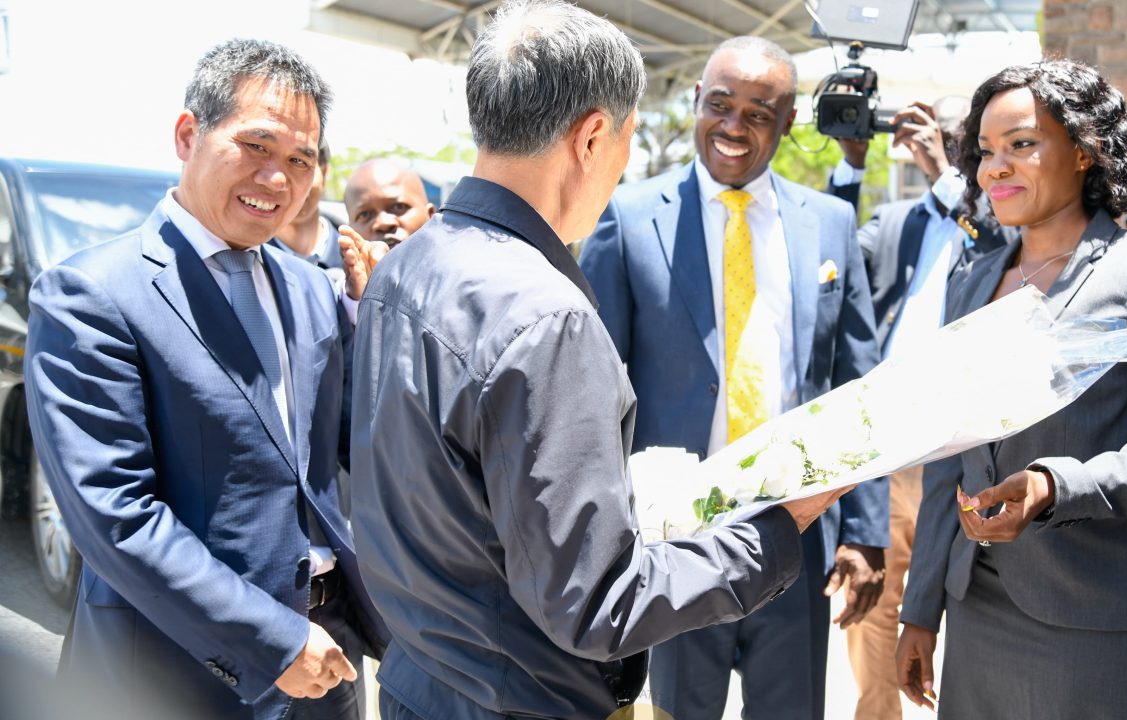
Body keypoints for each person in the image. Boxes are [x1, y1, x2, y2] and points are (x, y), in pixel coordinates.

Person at [348, 4, 853, 720]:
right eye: (627, 139)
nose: (623, 167)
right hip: (518, 697)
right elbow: (599, 604)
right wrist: (775, 530)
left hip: (422, 681)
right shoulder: (545, 315)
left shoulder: (404, 267)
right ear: (591, 137)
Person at [23, 39, 387, 720]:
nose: (276, 178)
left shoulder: (314, 289)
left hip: (329, 661)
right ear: (189, 135)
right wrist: (272, 641)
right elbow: (116, 516)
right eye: (257, 146)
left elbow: (353, 450)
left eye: (300, 160)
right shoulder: (90, 294)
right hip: (173, 671)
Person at [896, 59, 1127, 719]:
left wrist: (1055, 486)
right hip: (979, 611)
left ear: (1084, 150)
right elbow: (949, 460)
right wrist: (920, 609)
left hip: (1106, 617)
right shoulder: (972, 281)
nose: (996, 168)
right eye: (986, 151)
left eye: (1021, 144)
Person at [580, 36, 887, 720]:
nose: (734, 127)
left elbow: (855, 383)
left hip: (797, 527)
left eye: (759, 113)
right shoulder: (628, 218)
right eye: (720, 105)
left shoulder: (831, 223)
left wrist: (866, 529)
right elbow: (596, 389)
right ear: (696, 101)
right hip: (677, 538)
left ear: (789, 121)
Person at [843, 95, 1014, 720]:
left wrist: (946, 175)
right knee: (876, 600)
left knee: (962, 595)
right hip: (888, 447)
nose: (944, 144)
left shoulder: (999, 219)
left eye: (959, 137)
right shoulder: (894, 222)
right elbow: (828, 255)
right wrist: (852, 163)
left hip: (962, 449)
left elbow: (1002, 247)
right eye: (936, 133)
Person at [336, 157, 434, 303]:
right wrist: (359, 299)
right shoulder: (334, 301)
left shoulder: (460, 282)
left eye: (399, 207)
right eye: (365, 214)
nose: (383, 223)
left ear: (430, 216)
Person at [270, 137, 345, 282]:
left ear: (324, 172)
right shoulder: (248, 262)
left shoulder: (357, 257)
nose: (284, 183)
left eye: (299, 162)